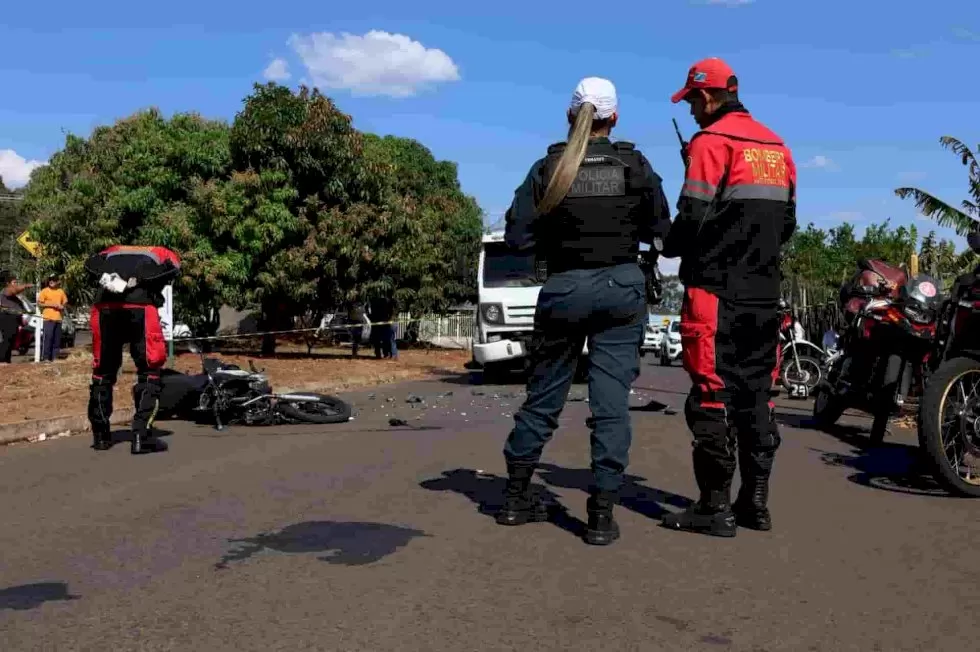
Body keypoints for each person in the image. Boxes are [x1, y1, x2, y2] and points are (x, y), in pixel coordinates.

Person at [495, 76, 672, 546]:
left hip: (564, 287)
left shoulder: (548, 167)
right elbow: (664, 233)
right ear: (614, 119)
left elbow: (517, 238)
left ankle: (514, 499)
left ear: (571, 116)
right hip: (621, 287)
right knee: (611, 404)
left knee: (544, 395)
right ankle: (600, 515)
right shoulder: (635, 165)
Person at [660, 58, 798, 537]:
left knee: (711, 399)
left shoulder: (708, 143)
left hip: (714, 291)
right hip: (764, 293)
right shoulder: (778, 147)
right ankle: (754, 505)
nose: (693, 112)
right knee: (757, 395)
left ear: (708, 97)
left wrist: (666, 246)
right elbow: (787, 225)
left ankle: (714, 509)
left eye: (694, 102)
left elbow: (692, 215)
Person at [84, 245, 181, 454]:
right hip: (141, 308)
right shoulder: (163, 253)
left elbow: (90, 265)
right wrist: (143, 281)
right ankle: (141, 436)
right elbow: (172, 269)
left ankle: (100, 437)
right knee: (150, 370)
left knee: (102, 371)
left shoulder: (110, 251)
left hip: (104, 308)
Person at [0, 270, 32, 364]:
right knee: (7, 338)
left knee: (12, 339)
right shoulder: (6, 290)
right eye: (14, 282)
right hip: (6, 317)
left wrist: (22, 318)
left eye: (16, 282)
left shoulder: (16, 297)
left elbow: (19, 308)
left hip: (14, 318)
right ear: (8, 283)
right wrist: (25, 286)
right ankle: (2, 360)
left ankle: (7, 359)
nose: (16, 284)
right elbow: (13, 290)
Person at [38, 274, 69, 362]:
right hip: (48, 318)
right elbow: (40, 303)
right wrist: (52, 304)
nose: (51, 281)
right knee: (48, 338)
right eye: (50, 280)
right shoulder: (44, 291)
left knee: (56, 339)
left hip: (58, 319)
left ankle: (55, 358)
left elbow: (65, 302)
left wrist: (62, 306)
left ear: (57, 282)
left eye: (54, 280)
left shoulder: (60, 291)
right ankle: (46, 358)